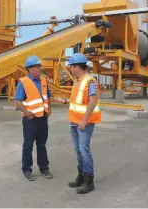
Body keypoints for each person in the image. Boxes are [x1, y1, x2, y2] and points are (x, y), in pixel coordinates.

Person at [56, 53, 102, 194]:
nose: (69, 68)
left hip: (84, 123)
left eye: (71, 65)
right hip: (74, 121)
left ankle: (89, 180)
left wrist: (83, 120)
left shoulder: (90, 81)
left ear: (78, 66)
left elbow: (93, 101)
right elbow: (78, 101)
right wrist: (65, 101)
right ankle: (81, 176)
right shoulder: (77, 81)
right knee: (78, 150)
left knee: (84, 150)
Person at [14, 55, 53, 181]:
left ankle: (44, 168)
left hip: (42, 118)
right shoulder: (23, 82)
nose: (40, 69)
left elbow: (48, 97)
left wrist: (49, 109)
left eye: (40, 66)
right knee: (28, 145)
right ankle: (26, 169)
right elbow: (17, 102)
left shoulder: (43, 81)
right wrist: (26, 112)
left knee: (42, 144)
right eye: (38, 67)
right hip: (30, 119)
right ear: (30, 69)